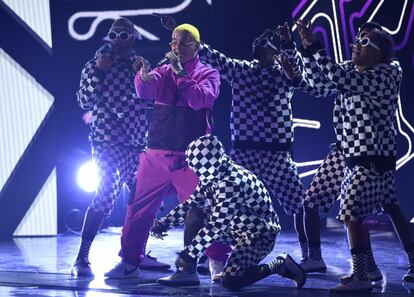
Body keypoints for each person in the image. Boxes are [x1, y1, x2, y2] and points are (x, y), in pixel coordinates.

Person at [156, 15, 331, 276]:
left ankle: (311, 255)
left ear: (274, 50)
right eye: (258, 41)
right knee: (217, 203)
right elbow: (215, 57)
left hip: (277, 153)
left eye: (266, 42)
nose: (259, 44)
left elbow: (296, 76)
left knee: (300, 204)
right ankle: (209, 256)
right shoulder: (242, 70)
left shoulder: (284, 75)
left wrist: (288, 44)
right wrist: (183, 34)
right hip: (244, 153)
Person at [297, 19, 414, 291]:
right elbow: (320, 84)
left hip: (371, 155)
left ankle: (364, 274)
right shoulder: (352, 68)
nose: (355, 45)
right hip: (345, 151)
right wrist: (305, 53)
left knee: (358, 209)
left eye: (364, 41)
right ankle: (360, 268)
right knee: (324, 203)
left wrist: (315, 48)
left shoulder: (386, 73)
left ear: (380, 51)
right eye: (357, 39)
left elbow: (340, 78)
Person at [104, 24, 221, 278]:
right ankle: (130, 260)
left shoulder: (207, 73)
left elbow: (200, 99)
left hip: (192, 158)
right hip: (156, 154)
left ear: (196, 47)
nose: (177, 47)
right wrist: (142, 76)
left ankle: (215, 260)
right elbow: (145, 90)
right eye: (174, 42)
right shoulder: (164, 71)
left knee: (203, 210)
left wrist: (181, 75)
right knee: (138, 207)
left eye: (184, 42)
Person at [71, 17, 171, 277]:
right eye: (113, 35)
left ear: (133, 38)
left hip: (135, 144)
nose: (117, 40)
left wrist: (144, 76)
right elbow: (84, 101)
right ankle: (81, 257)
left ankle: (137, 254)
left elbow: (151, 101)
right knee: (104, 196)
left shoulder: (139, 65)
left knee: (142, 199)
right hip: (106, 142)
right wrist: (100, 72)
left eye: (123, 35)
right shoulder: (95, 64)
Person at [151, 134, 306, 290]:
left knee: (231, 281)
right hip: (234, 229)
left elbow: (217, 225)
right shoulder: (212, 174)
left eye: (199, 168)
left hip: (258, 236)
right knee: (195, 214)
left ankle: (280, 264)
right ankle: (187, 272)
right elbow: (191, 204)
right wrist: (164, 224)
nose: (196, 172)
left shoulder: (231, 182)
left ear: (211, 163)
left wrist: (189, 253)